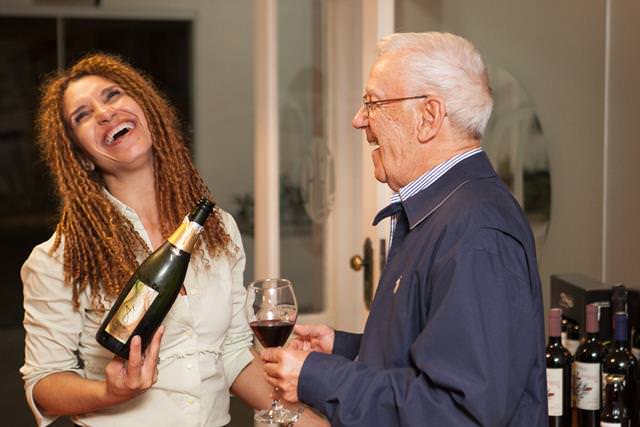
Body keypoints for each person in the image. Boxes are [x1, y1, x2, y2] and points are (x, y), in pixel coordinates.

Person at [19, 53, 324, 427]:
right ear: (81, 157)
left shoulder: (218, 231)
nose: (104, 113)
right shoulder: (59, 258)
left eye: (112, 95)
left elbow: (232, 354)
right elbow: (44, 382)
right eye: (82, 115)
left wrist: (308, 421)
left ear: (147, 111)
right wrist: (110, 393)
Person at [261, 32, 547, 426]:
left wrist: (318, 378)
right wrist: (345, 351)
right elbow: (434, 356)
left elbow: (457, 413)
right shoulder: (444, 213)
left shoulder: (476, 235)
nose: (359, 120)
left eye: (373, 103)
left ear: (429, 116)